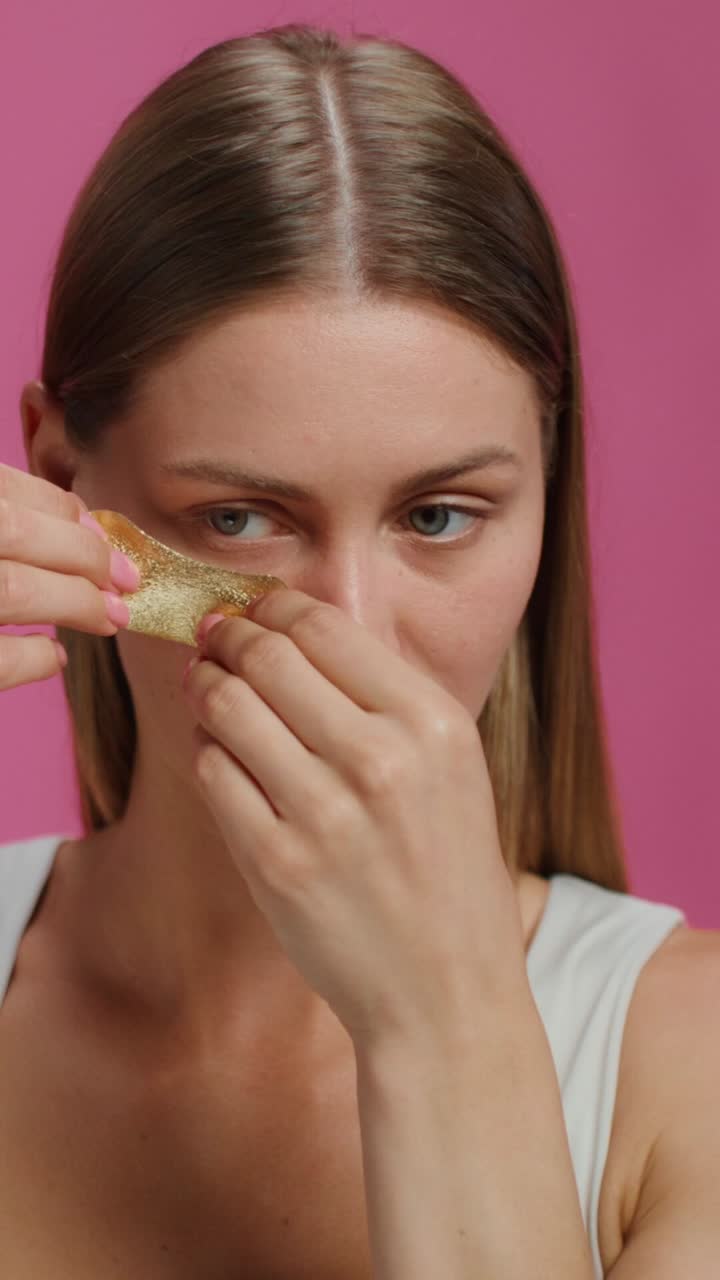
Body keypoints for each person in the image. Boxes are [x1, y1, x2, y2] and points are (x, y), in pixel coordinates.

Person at [0, 22, 717, 1280]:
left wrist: (442, 1026)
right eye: (241, 518)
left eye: (439, 516)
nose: (349, 634)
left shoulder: (687, 1067)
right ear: (62, 482)